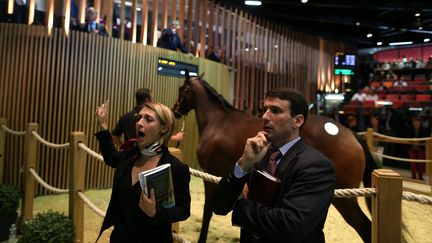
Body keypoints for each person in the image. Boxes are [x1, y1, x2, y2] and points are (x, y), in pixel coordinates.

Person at [212, 88, 335, 243]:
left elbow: (290, 226)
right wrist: (244, 163)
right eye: (265, 110)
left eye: (275, 111)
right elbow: (219, 206)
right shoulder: (257, 154)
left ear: (297, 121)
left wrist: (242, 205)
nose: (264, 116)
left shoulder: (317, 166)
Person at [95, 101, 191, 242]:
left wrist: (155, 212)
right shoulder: (129, 155)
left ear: (163, 128)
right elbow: (110, 157)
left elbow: (183, 210)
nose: (139, 123)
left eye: (148, 119)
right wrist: (103, 125)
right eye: (140, 118)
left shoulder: (175, 167)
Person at [408, 116, 429, 180]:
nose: (416, 123)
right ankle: (413, 175)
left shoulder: (424, 129)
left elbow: (425, 138)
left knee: (420, 163)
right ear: (413, 122)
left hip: (420, 148)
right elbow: (408, 137)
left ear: (420, 122)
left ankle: (420, 176)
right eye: (415, 121)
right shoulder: (410, 129)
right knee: (413, 163)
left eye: (418, 121)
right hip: (412, 148)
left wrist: (418, 141)